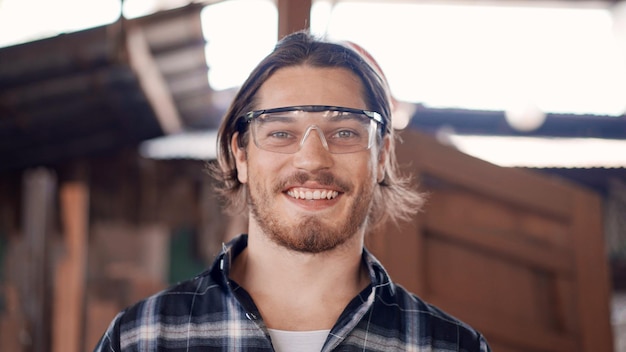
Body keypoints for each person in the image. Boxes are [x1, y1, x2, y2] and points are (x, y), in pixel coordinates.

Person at [94, 31, 491, 352]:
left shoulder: (449, 346)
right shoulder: (143, 339)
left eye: (345, 132)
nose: (312, 160)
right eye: (281, 132)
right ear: (241, 155)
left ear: (382, 155)